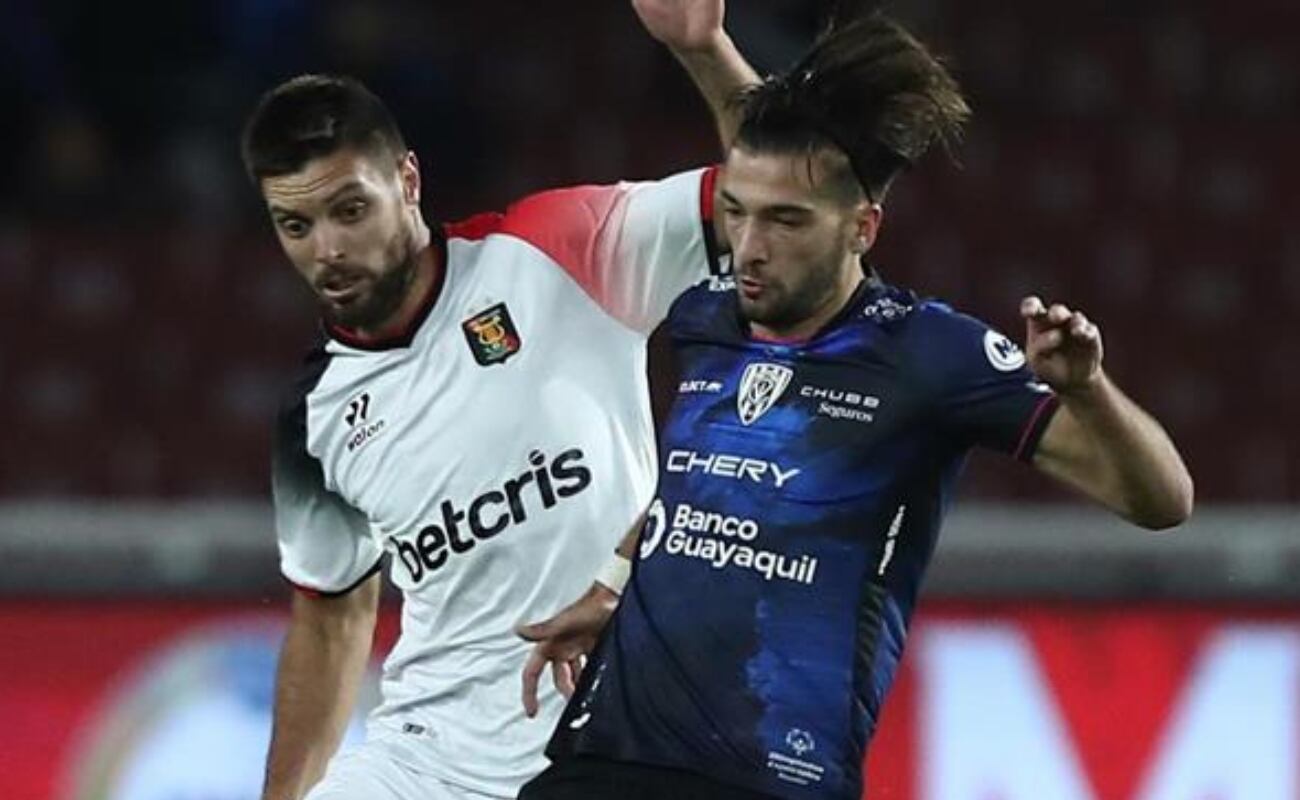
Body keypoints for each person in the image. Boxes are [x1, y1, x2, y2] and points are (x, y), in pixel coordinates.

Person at [517, 8, 1194, 800]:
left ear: (863, 228)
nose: (751, 246)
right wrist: (611, 583)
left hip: (768, 776)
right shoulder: (706, 319)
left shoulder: (928, 354)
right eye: (736, 215)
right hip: (607, 753)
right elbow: (696, 487)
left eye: (786, 223)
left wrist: (1087, 390)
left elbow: (1164, 501)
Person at [240, 6, 759, 796]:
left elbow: (783, 203)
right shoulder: (314, 417)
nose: (328, 249)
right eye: (295, 225)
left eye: (350, 210)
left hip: (623, 744)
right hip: (425, 765)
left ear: (408, 181)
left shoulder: (554, 249)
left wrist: (705, 50)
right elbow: (331, 617)